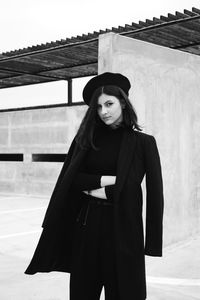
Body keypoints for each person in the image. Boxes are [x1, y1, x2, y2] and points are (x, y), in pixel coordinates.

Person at [25, 72, 164, 300]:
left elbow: (151, 193)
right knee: (82, 292)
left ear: (123, 102)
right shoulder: (85, 140)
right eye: (98, 107)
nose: (104, 112)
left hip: (125, 232)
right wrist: (107, 181)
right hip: (86, 229)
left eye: (109, 104)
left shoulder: (144, 143)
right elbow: (71, 181)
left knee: (125, 293)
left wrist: (152, 243)